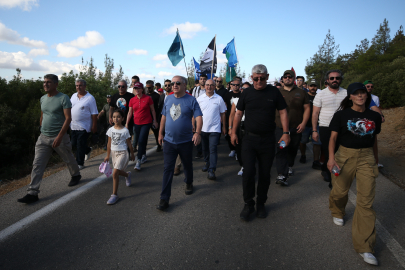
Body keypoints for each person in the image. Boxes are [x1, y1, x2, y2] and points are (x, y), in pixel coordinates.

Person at [328, 83, 382, 266]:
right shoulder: (341, 115)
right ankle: (337, 210)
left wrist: (375, 159)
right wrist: (330, 158)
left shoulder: (375, 116)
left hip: (366, 157)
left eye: (363, 93)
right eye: (356, 94)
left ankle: (365, 246)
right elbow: (333, 138)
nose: (360, 96)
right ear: (350, 96)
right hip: (345, 156)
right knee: (340, 191)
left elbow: (374, 139)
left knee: (366, 201)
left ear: (367, 96)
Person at [231, 64, 290, 221]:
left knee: (264, 174)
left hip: (268, 140)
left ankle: (261, 203)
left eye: (262, 78)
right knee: (248, 172)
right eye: (255, 78)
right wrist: (233, 132)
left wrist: (285, 133)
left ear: (267, 77)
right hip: (249, 139)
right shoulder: (246, 93)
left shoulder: (274, 92)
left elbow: (283, 111)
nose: (258, 81)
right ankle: (248, 203)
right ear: (251, 78)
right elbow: (238, 113)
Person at [18, 74, 81, 204]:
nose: (45, 84)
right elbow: (43, 114)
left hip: (60, 137)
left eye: (49, 82)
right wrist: (41, 128)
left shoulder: (63, 98)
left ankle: (76, 175)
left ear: (56, 84)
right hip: (43, 137)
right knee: (37, 164)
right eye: (44, 82)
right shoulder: (42, 99)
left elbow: (68, 118)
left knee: (68, 158)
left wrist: (59, 136)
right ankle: (32, 192)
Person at [157, 76, 203, 211]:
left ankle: (189, 182)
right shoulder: (168, 98)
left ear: (184, 85)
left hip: (186, 141)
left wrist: (198, 133)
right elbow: (164, 117)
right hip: (169, 142)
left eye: (178, 83)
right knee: (168, 169)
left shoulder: (191, 100)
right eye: (172, 83)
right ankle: (164, 198)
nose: (174, 85)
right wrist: (160, 133)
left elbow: (199, 117)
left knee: (187, 165)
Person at [274, 70, 310, 186]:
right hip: (280, 127)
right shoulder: (277, 92)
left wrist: (304, 123)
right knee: (281, 149)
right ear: (283, 79)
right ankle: (281, 174)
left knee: (293, 149)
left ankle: (289, 166)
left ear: (293, 79)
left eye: (290, 77)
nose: (288, 78)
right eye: (286, 77)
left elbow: (307, 109)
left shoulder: (302, 92)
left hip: (296, 127)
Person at [312, 70, 347, 186]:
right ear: (327, 80)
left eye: (337, 78)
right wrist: (314, 131)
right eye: (332, 78)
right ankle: (331, 176)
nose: (334, 80)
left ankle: (332, 171)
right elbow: (315, 113)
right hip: (325, 127)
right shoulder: (321, 94)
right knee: (328, 152)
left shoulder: (346, 93)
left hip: (343, 128)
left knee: (340, 152)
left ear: (340, 79)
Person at [197, 79, 227, 180]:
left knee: (213, 149)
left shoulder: (219, 99)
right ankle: (207, 163)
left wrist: (225, 127)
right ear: (205, 86)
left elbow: (223, 113)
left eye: (211, 85)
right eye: (207, 85)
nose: (209, 87)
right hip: (203, 128)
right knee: (205, 149)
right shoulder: (200, 98)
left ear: (214, 87)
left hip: (215, 129)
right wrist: (194, 125)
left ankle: (212, 170)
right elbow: (196, 114)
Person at [104, 109, 135, 205]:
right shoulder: (110, 130)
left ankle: (114, 195)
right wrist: (107, 155)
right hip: (114, 153)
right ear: (112, 119)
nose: (116, 118)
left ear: (122, 118)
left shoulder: (125, 130)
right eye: (114, 117)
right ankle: (127, 175)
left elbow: (129, 143)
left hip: (123, 153)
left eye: (118, 117)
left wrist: (132, 153)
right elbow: (109, 144)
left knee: (115, 172)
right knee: (116, 172)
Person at [126, 82, 157, 171]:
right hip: (136, 123)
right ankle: (143, 155)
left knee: (141, 140)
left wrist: (155, 121)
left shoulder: (148, 98)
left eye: (138, 88)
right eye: (135, 88)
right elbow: (130, 112)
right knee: (141, 141)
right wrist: (127, 124)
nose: (137, 90)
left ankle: (138, 160)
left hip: (146, 122)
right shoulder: (132, 100)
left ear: (142, 89)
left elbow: (153, 110)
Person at [70, 79, 98, 169]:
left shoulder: (90, 98)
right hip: (73, 125)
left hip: (84, 126)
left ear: (85, 86)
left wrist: (94, 125)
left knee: (80, 145)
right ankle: (88, 149)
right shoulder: (74, 96)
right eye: (77, 85)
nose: (79, 87)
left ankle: (79, 163)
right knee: (73, 143)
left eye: (80, 85)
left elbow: (94, 113)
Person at [298, 81, 322, 169]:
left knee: (317, 142)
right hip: (306, 124)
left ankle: (316, 161)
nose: (313, 88)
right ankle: (303, 155)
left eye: (314, 86)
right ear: (308, 86)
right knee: (303, 141)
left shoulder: (319, 96)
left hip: (317, 123)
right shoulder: (305, 96)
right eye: (311, 86)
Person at [228, 78, 246, 176]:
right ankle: (242, 165)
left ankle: (248, 165)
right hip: (239, 125)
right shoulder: (235, 100)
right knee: (239, 146)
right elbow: (231, 115)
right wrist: (230, 128)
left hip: (251, 126)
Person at [223, 77, 242, 158]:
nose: (235, 86)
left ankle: (238, 152)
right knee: (229, 133)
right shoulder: (228, 94)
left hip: (240, 118)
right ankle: (232, 149)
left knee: (239, 135)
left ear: (240, 85)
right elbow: (225, 104)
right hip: (229, 117)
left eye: (237, 85)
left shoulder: (242, 94)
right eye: (233, 84)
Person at [191, 74, 207, 158]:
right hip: (197, 113)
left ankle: (205, 150)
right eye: (201, 79)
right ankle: (199, 150)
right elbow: (192, 100)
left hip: (206, 114)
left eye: (204, 79)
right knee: (197, 131)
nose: (202, 80)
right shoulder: (195, 89)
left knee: (204, 132)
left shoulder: (209, 89)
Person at [146, 80, 162, 152]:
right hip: (146, 117)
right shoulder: (145, 96)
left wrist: (157, 119)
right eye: (147, 87)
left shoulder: (157, 96)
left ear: (153, 87)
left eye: (149, 87)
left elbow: (159, 107)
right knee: (145, 134)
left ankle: (159, 145)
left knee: (156, 132)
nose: (148, 89)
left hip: (154, 117)